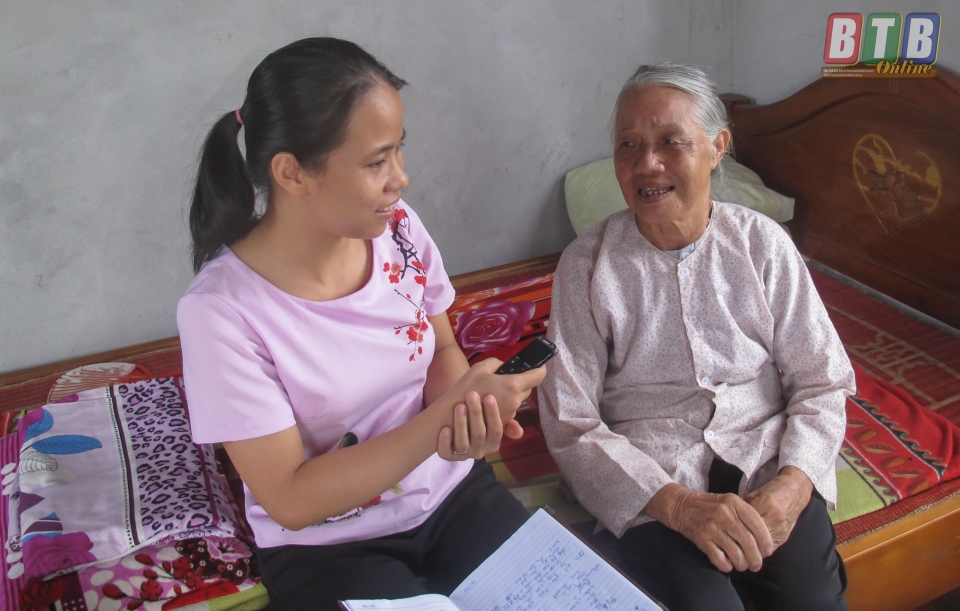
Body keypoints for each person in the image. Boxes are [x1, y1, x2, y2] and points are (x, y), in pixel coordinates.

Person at [177, 38, 545, 611]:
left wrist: (467, 417)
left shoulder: (399, 231)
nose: (401, 178)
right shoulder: (221, 310)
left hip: (450, 496)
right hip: (327, 547)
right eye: (377, 162)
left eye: (399, 152)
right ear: (291, 173)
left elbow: (441, 346)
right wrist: (440, 422)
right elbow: (290, 499)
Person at [539, 63, 854, 611]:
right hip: (655, 482)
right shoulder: (586, 266)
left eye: (670, 141)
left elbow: (822, 380)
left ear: (717, 147)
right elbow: (570, 420)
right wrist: (678, 506)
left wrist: (794, 484)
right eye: (628, 144)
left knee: (813, 601)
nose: (647, 164)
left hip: (765, 458)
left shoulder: (762, 245)